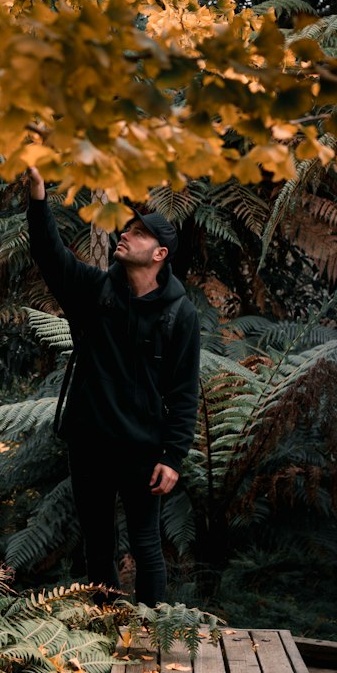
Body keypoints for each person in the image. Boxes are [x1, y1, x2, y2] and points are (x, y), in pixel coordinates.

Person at [25, 166, 200, 606]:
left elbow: (183, 392)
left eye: (139, 234)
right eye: (127, 229)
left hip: (142, 449)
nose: (126, 235)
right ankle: (104, 636)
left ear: (160, 254)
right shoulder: (95, 291)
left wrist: (174, 456)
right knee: (97, 546)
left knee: (146, 545)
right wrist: (38, 197)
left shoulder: (179, 315)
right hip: (88, 442)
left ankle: (151, 636)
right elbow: (50, 254)